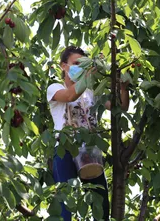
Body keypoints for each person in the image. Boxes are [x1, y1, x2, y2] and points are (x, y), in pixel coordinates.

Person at [46, 46, 130, 221]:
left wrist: (123, 87)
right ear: (63, 66)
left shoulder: (91, 93)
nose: (79, 68)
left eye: (82, 65)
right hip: (65, 150)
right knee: (64, 201)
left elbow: (120, 106)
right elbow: (70, 96)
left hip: (90, 152)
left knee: (101, 204)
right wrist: (89, 74)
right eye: (75, 64)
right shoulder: (54, 88)